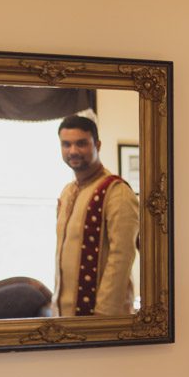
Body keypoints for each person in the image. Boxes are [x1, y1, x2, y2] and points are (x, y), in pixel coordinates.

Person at [54, 115, 139, 316]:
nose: (73, 151)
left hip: (102, 317)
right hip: (65, 316)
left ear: (97, 145)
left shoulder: (117, 191)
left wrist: (102, 317)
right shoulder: (67, 192)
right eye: (66, 144)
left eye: (81, 143)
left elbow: (122, 257)